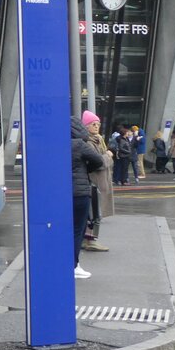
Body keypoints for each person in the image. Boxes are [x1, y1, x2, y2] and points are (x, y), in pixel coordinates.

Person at [72, 115, 105, 279]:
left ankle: (62, 262)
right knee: (78, 230)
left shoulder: (57, 143)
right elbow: (98, 161)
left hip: (60, 194)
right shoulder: (80, 144)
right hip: (79, 193)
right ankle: (73, 265)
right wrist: (86, 169)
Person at [81, 111, 112, 252]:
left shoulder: (99, 140)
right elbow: (99, 162)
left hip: (100, 180)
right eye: (93, 124)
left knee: (94, 212)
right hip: (94, 181)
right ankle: (90, 240)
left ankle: (87, 239)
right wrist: (108, 156)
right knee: (94, 212)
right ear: (86, 126)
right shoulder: (88, 142)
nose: (96, 126)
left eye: (98, 124)